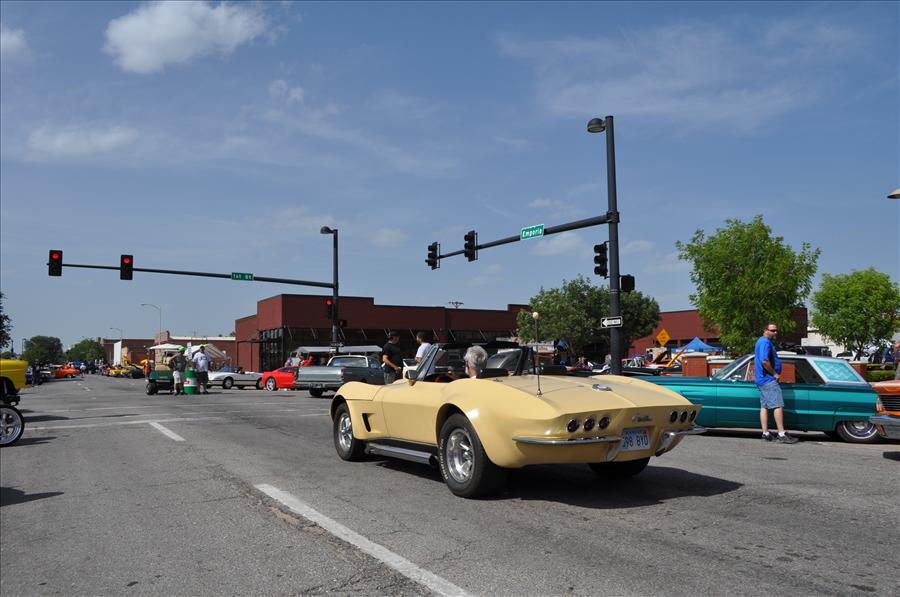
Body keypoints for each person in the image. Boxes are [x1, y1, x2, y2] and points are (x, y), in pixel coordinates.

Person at [755, 322, 797, 444]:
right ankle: (781, 434)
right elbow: (764, 361)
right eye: (772, 330)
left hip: (762, 380)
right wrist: (774, 374)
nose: (775, 332)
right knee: (778, 405)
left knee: (764, 406)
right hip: (768, 380)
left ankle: (766, 433)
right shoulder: (765, 342)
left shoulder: (761, 341)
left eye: (776, 330)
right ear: (765, 330)